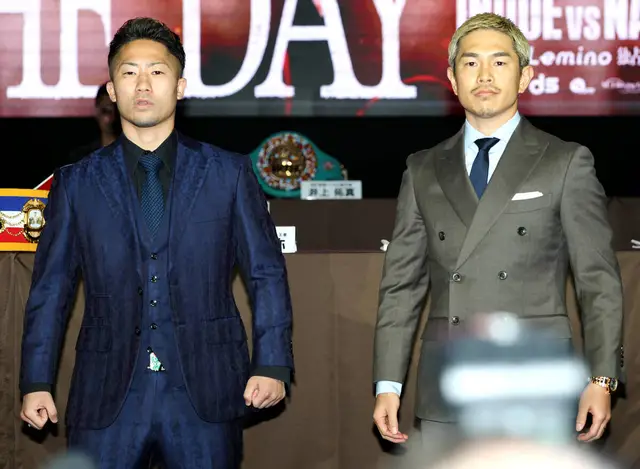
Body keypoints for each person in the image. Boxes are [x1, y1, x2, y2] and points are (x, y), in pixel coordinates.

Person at [19, 17, 294, 469]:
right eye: (129, 72)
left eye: (157, 71)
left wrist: (272, 363)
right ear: (112, 90)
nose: (143, 84)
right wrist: (35, 380)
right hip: (107, 395)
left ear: (180, 86)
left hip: (205, 391)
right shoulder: (76, 183)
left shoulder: (228, 174)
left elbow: (266, 273)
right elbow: (51, 289)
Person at [372, 12, 623, 461]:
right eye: (470, 63)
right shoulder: (422, 168)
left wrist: (601, 379)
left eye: (500, 62)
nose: (484, 75)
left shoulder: (566, 161)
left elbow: (598, 281)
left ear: (525, 76)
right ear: (453, 79)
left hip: (535, 379)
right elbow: (401, 287)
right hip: (448, 381)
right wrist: (388, 384)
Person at [66, 83, 121, 163]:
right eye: (106, 111)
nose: (112, 117)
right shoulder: (81, 158)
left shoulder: (136, 157)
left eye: (117, 111)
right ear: (97, 111)